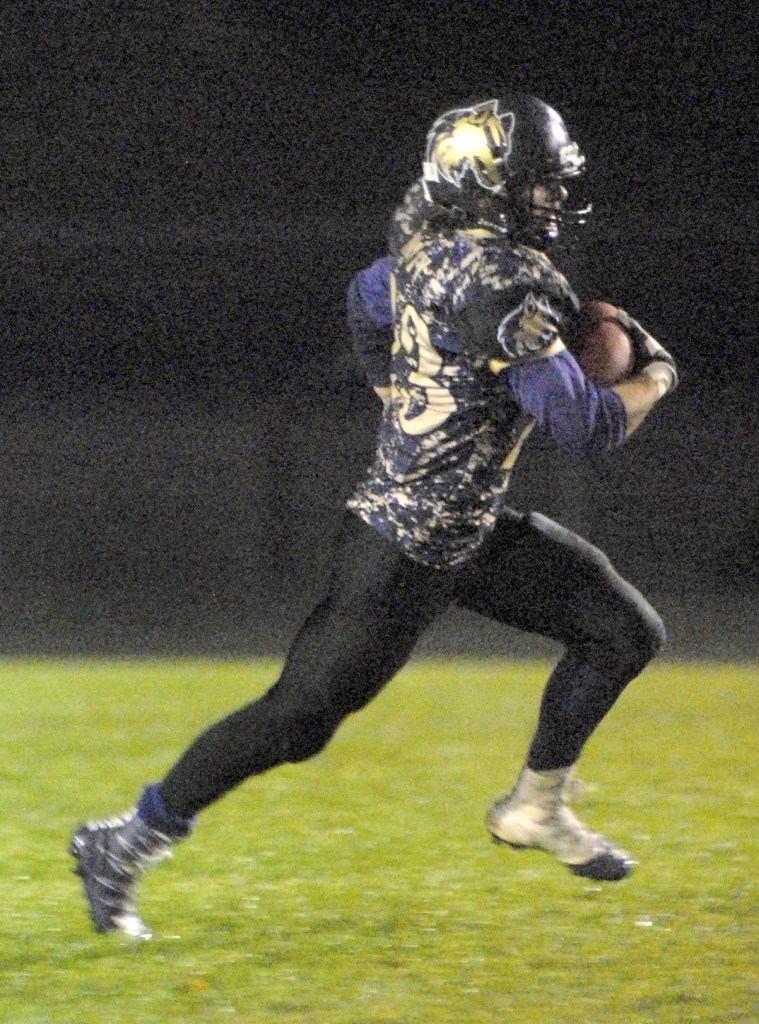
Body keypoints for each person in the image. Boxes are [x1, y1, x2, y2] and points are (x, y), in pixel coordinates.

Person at [70, 95, 678, 939]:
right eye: (538, 183)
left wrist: (392, 387)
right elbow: (585, 427)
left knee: (623, 632)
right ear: (486, 182)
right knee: (297, 721)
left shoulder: (425, 248)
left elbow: (366, 298)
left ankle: (535, 807)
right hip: (399, 551)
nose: (552, 199)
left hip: (469, 531)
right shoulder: (505, 279)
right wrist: (655, 374)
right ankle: (125, 840)